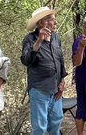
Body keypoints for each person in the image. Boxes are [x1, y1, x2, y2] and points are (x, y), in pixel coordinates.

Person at [22, 7, 67, 135]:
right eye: (52, 20)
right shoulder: (30, 39)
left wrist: (62, 81)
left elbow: (60, 60)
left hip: (56, 88)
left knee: (56, 121)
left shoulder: (56, 37)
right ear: (42, 22)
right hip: (39, 89)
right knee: (40, 127)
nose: (55, 23)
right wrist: (39, 40)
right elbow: (26, 60)